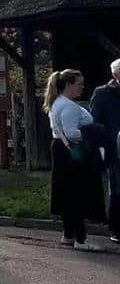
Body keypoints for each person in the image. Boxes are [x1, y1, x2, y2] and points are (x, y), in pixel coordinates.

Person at [46, 68, 106, 252]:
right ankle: (80, 238)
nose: (82, 87)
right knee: (77, 194)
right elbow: (72, 132)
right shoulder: (69, 106)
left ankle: (68, 235)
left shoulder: (57, 103)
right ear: (68, 85)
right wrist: (94, 132)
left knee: (68, 193)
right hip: (73, 153)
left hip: (61, 149)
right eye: (79, 84)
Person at [88, 58, 120, 246]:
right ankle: (117, 229)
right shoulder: (102, 94)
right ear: (116, 75)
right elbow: (96, 124)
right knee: (117, 189)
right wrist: (102, 149)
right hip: (115, 149)